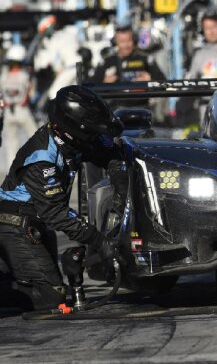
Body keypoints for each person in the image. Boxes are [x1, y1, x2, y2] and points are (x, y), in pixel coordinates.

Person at [0, 85, 125, 311]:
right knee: (51, 298)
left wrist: (119, 175)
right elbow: (56, 213)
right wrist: (100, 241)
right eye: (90, 131)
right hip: (13, 224)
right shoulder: (42, 159)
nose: (95, 137)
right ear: (73, 129)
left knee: (53, 290)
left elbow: (110, 151)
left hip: (36, 223)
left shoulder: (72, 140)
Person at [0, 45, 39, 171]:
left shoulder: (3, 76)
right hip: (23, 110)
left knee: (11, 143)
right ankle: (38, 165)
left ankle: (13, 171)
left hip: (8, 111)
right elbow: (32, 94)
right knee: (36, 138)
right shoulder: (25, 75)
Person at [90, 25, 166, 84]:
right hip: (114, 103)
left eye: (129, 41)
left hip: (142, 103)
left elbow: (162, 82)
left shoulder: (145, 58)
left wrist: (150, 80)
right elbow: (91, 86)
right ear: (115, 42)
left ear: (134, 40)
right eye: (122, 42)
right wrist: (104, 83)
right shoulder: (107, 60)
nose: (126, 45)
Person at [187, 13, 217, 79]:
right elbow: (190, 79)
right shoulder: (199, 55)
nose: (211, 31)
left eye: (214, 26)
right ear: (202, 31)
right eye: (207, 28)